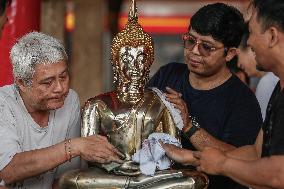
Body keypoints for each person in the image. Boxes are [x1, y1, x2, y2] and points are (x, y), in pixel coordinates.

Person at [58, 1, 208, 188]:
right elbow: (90, 155)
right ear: (116, 64)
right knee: (69, 179)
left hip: (150, 173)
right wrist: (117, 166)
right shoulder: (96, 105)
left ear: (149, 63)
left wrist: (148, 165)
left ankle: (138, 182)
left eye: (141, 60)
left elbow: (173, 151)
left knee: (195, 180)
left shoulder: (160, 101)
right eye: (127, 60)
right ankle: (136, 183)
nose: (134, 67)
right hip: (111, 175)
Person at [147, 3, 262, 189]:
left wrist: (188, 125)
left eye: (206, 47)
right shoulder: (168, 74)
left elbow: (241, 159)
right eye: (191, 40)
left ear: (230, 53)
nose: (194, 51)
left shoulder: (242, 100)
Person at [0, 32, 123, 189]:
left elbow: (64, 179)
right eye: (47, 82)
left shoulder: (69, 100)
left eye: (63, 77)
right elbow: (9, 170)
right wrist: (74, 147)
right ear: (22, 83)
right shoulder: (3, 103)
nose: (59, 88)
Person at [193, 0, 284, 188]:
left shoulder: (247, 95)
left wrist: (222, 165)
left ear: (272, 36)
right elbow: (256, 152)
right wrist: (192, 157)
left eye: (250, 32)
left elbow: (279, 174)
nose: (248, 42)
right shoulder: (278, 87)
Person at [236, 23, 265, 92]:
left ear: (251, 48)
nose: (238, 64)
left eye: (238, 55)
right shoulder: (267, 80)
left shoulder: (268, 82)